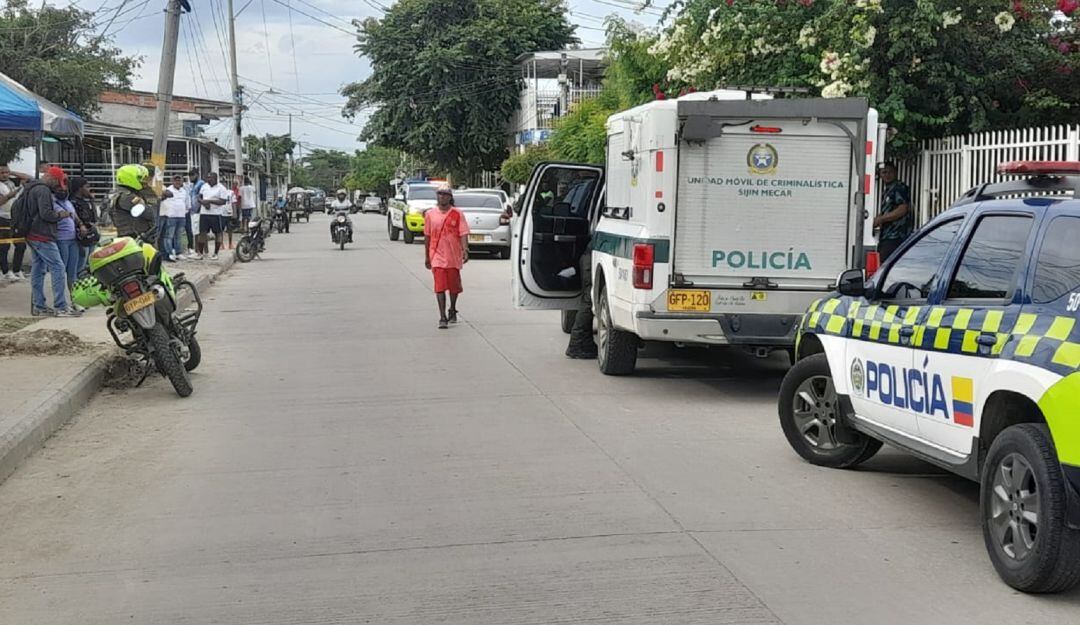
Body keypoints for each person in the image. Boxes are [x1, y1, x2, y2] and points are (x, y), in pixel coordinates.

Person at [25, 167, 75, 316]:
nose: (58, 186)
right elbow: (46, 214)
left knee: (38, 269)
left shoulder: (32, 187)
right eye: (57, 182)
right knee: (58, 267)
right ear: (52, 179)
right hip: (42, 234)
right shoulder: (43, 190)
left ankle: (39, 306)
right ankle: (61, 306)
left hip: (32, 233)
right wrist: (62, 214)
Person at [423, 183, 470, 329]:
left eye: (445, 194)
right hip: (436, 254)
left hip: (453, 256)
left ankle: (452, 309)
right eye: (439, 194)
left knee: (453, 287)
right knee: (440, 286)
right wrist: (427, 256)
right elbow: (427, 236)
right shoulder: (430, 214)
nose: (442, 196)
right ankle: (442, 316)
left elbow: (463, 233)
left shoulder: (457, 213)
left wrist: (465, 250)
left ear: (450, 197)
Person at [51, 172, 84, 308]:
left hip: (73, 239)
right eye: (60, 190)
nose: (63, 192)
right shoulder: (52, 202)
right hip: (61, 240)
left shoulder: (68, 202)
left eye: (65, 190)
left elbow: (75, 217)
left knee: (73, 272)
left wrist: (81, 225)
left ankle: (76, 300)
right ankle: (60, 301)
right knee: (60, 272)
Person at [874, 162, 913, 262]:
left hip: (896, 235)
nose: (887, 175)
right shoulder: (887, 190)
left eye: (890, 172)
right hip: (887, 235)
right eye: (884, 172)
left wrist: (881, 219)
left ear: (896, 172)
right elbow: (888, 209)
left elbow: (903, 209)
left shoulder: (899, 187)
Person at [0, 163, 29, 282]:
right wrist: (11, 195)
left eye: (6, 172)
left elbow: (27, 178)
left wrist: (12, 173)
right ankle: (5, 271)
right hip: (2, 217)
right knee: (4, 246)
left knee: (21, 245)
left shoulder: (11, 182)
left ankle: (17, 270)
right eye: (2, 173)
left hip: (15, 218)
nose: (5, 175)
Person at [110, 164, 153, 238]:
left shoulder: (117, 193)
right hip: (134, 236)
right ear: (130, 178)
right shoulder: (127, 197)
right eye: (140, 178)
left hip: (128, 235)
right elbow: (149, 214)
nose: (143, 181)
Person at [197, 172, 231, 260]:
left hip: (216, 214)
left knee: (218, 233)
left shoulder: (221, 188)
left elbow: (223, 201)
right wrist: (203, 202)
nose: (208, 180)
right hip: (204, 213)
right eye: (207, 178)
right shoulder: (204, 186)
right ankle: (200, 253)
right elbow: (199, 197)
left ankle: (215, 253)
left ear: (215, 179)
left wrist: (210, 201)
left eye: (210, 178)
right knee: (202, 233)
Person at [68, 177, 98, 271]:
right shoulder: (73, 202)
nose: (89, 189)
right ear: (80, 188)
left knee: (90, 261)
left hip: (89, 234)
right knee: (81, 264)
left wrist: (92, 201)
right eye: (87, 187)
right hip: (80, 235)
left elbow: (94, 218)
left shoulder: (85, 201)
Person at [161, 174, 189, 262]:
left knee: (178, 236)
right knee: (169, 236)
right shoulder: (168, 190)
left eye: (179, 180)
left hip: (181, 216)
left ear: (182, 182)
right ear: (172, 181)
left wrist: (185, 212)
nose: (177, 182)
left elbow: (187, 203)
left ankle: (178, 253)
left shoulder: (184, 191)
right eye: (176, 180)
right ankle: (169, 253)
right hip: (171, 216)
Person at [185, 169, 204, 258]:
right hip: (192, 211)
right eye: (189, 175)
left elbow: (202, 197)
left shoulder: (200, 184)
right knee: (194, 231)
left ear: (197, 175)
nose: (190, 177)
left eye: (192, 175)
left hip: (198, 211)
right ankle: (198, 250)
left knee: (197, 232)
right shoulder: (192, 185)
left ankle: (198, 251)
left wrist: (200, 209)